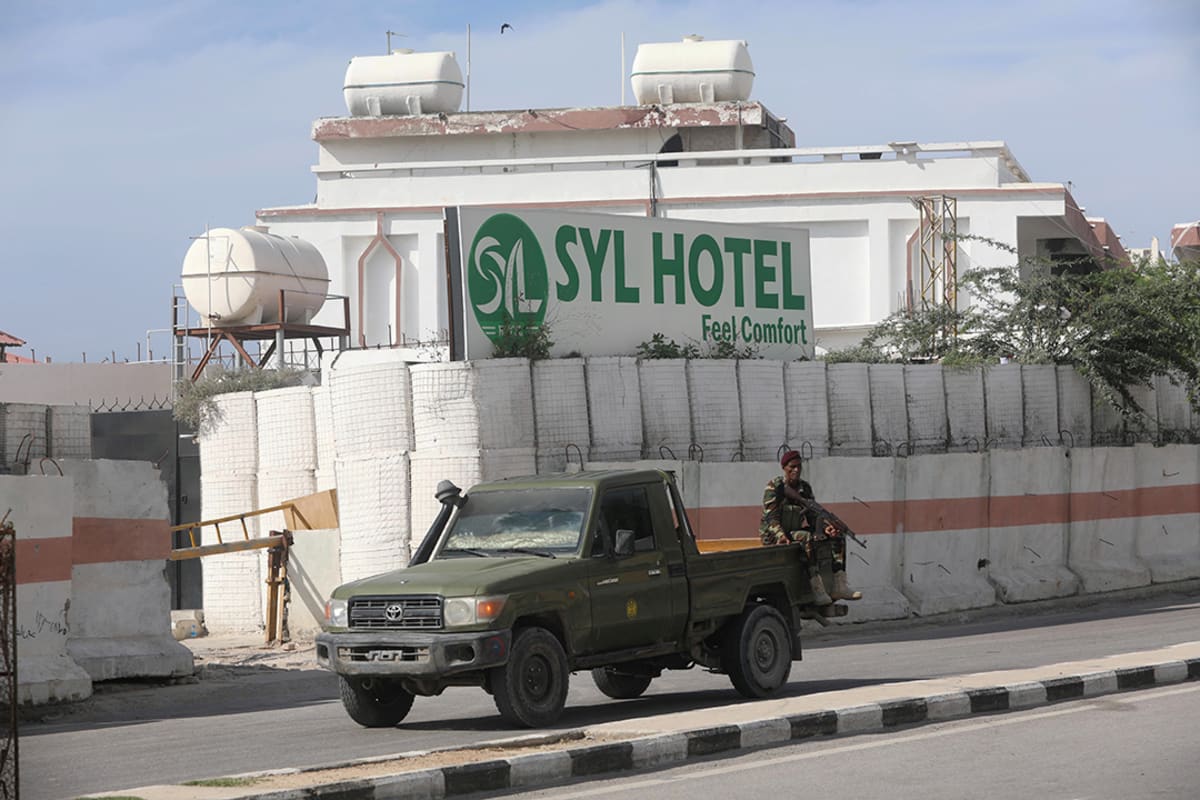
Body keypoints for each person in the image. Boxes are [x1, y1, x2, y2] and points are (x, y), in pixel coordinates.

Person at [760, 449, 861, 604]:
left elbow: (813, 517)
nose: (796, 470)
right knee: (806, 537)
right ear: (784, 467)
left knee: (837, 535)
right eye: (792, 466)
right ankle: (817, 588)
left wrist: (826, 528)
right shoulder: (775, 487)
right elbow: (771, 518)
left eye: (799, 466)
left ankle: (839, 585)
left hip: (794, 531)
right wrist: (780, 535)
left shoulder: (804, 488)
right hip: (774, 534)